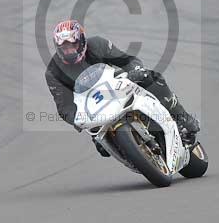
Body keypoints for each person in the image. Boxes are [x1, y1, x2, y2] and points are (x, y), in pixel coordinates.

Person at [44, 19, 200, 157]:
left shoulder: (98, 44)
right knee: (103, 149)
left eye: (73, 45)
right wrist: (79, 120)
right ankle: (135, 156)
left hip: (116, 85)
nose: (69, 50)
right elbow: (64, 107)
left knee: (151, 78)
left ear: (82, 41)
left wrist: (135, 71)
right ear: (57, 47)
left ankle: (182, 118)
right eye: (64, 47)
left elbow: (127, 60)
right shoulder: (53, 72)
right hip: (92, 107)